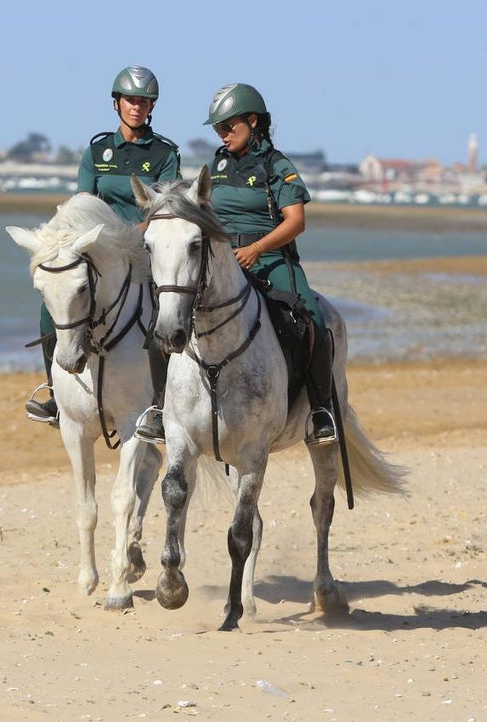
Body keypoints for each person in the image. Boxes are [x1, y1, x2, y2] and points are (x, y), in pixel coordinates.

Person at [26, 65, 180, 444]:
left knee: (167, 311)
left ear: (151, 107)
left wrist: (134, 236)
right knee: (53, 306)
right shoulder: (98, 150)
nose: (137, 107)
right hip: (98, 253)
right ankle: (55, 393)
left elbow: (163, 207)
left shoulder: (164, 153)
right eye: (131, 100)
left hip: (142, 251)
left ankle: (161, 403)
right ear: (117, 103)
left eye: (145, 102)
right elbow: (81, 204)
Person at [202, 83, 337, 446]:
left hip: (271, 257)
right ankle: (166, 405)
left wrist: (258, 248)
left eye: (229, 126)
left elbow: (296, 222)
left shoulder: (277, 165)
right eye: (218, 128)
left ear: (252, 120)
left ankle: (321, 410)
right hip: (225, 260)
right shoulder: (218, 164)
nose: (222, 133)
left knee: (313, 317)